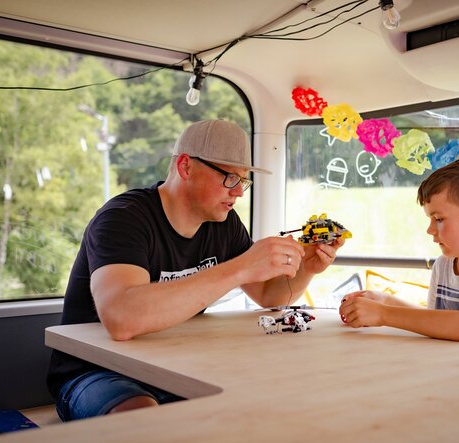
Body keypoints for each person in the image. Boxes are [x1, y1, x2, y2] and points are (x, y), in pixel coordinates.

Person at [48, 119, 344, 421]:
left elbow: (269, 296)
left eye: (244, 180)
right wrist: (240, 267)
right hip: (97, 371)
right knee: (144, 420)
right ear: (186, 167)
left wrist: (307, 269)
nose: (239, 192)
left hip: (176, 367)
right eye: (230, 178)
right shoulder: (123, 218)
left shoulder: (225, 225)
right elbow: (122, 320)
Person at [339, 158, 459, 342]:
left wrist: (383, 313)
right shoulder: (443, 265)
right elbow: (439, 324)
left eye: (439, 219)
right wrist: (386, 301)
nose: (430, 230)